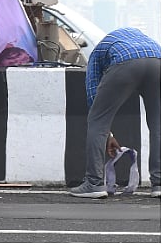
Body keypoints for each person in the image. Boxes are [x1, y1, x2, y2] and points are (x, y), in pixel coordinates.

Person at [67, 28, 160, 199]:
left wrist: (107, 133)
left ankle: (94, 184)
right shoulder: (141, 39)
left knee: (97, 121)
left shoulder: (97, 54)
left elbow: (93, 94)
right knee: (158, 123)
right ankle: (159, 183)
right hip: (158, 60)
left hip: (125, 62)